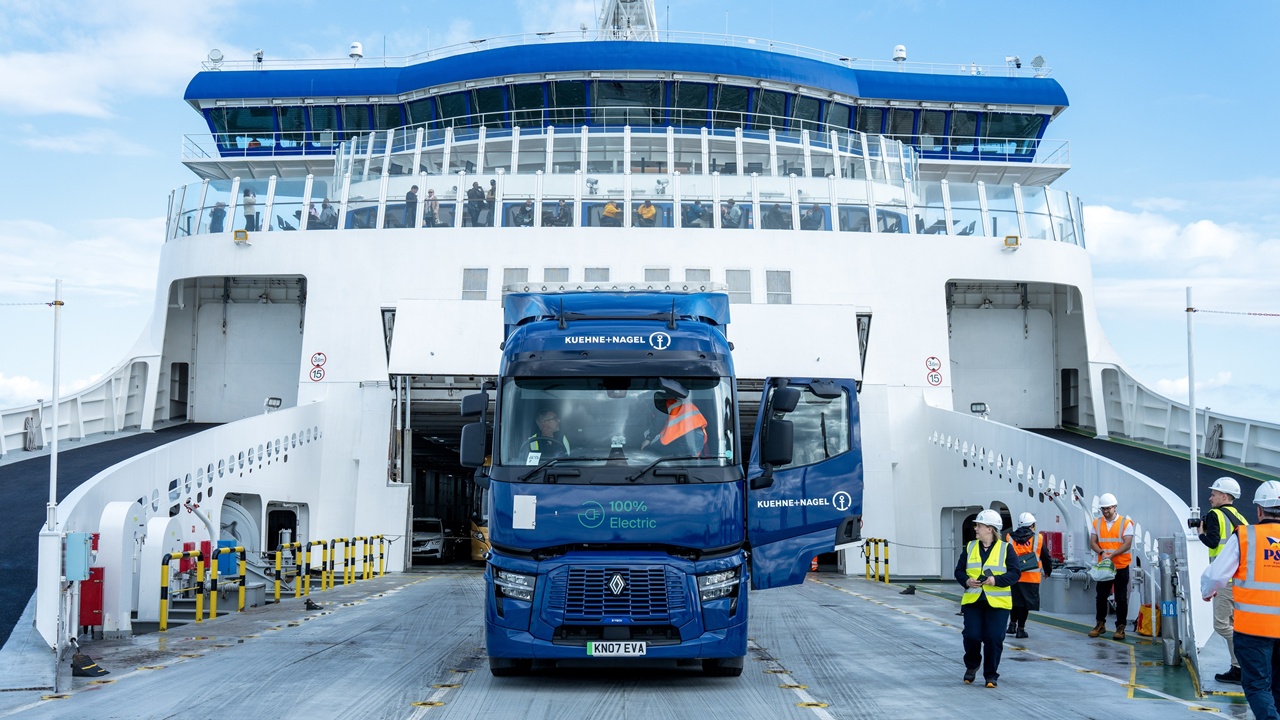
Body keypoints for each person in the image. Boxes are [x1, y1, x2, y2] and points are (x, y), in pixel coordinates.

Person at [1201, 480, 1280, 720]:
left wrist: (1207, 592)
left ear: (1258, 511)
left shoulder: (1246, 536)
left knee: (1257, 686)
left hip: (1253, 629)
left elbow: (1215, 575)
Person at [1194, 476, 1250, 684]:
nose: (1210, 498)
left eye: (1214, 494)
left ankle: (1246, 655)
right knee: (1234, 623)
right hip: (1240, 579)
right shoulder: (1240, 517)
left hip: (1224, 580)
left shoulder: (1214, 514)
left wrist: (1201, 532)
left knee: (1221, 625)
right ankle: (1238, 668)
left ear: (1224, 496)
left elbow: (1212, 542)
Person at [956, 509, 1020, 688]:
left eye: (979, 525)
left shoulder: (1006, 548)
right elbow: (959, 571)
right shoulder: (970, 547)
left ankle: (991, 675)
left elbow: (1016, 573)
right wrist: (967, 581)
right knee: (971, 636)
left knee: (994, 638)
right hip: (973, 601)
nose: (976, 528)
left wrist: (996, 580)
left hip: (998, 603)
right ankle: (972, 665)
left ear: (990, 529)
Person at [1088, 492, 1135, 640]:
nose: (1105, 511)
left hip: (1121, 565)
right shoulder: (1096, 523)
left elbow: (1127, 544)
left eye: (1108, 508)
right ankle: (1100, 624)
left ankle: (1120, 628)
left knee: (1121, 598)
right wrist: (1102, 552)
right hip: (1105, 566)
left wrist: (1112, 555)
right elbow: (1093, 542)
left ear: (1115, 507)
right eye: (1103, 509)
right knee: (1101, 596)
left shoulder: (1126, 523)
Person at [1005, 512, 1053, 638]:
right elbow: (1046, 557)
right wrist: (1048, 571)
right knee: (1024, 605)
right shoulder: (1038, 538)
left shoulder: (1009, 537)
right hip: (1031, 577)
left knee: (1015, 602)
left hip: (1013, 576)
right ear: (1032, 525)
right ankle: (1021, 629)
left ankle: (1011, 625)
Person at [640, 392, 707, 457]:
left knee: (650, 452)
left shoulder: (657, 402)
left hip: (683, 436)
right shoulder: (676, 401)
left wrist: (649, 438)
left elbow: (660, 419)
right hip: (698, 435)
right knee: (687, 464)